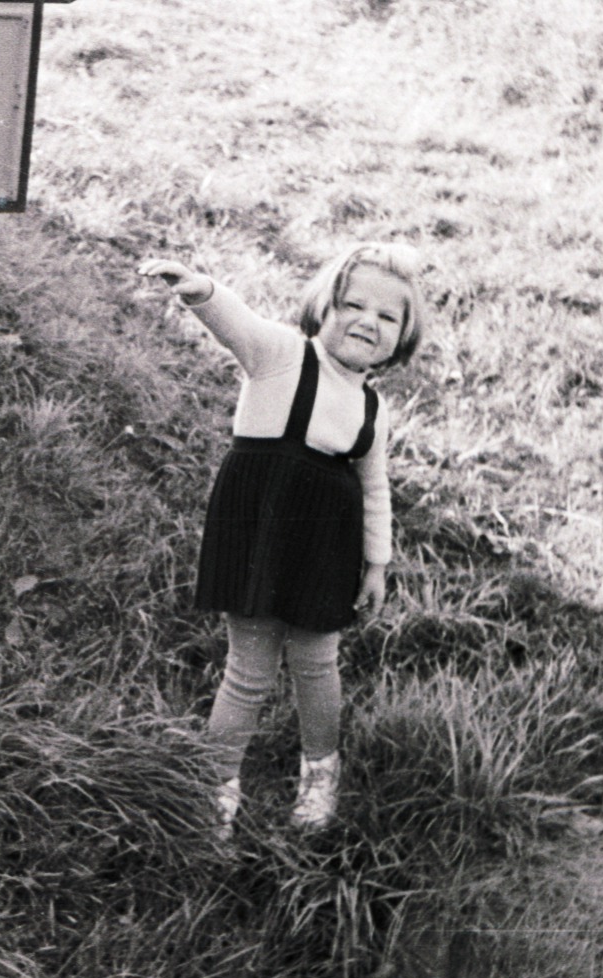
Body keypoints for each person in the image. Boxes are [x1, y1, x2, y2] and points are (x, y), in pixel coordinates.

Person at [137, 243, 427, 833]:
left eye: (387, 316)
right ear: (325, 307)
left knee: (317, 663)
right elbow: (235, 322)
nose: (367, 322)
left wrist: (376, 565)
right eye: (353, 304)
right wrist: (198, 289)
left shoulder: (372, 409)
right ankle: (216, 785)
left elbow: (375, 491)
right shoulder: (281, 357)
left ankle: (320, 775)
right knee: (248, 669)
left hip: (326, 546)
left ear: (402, 337)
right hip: (259, 531)